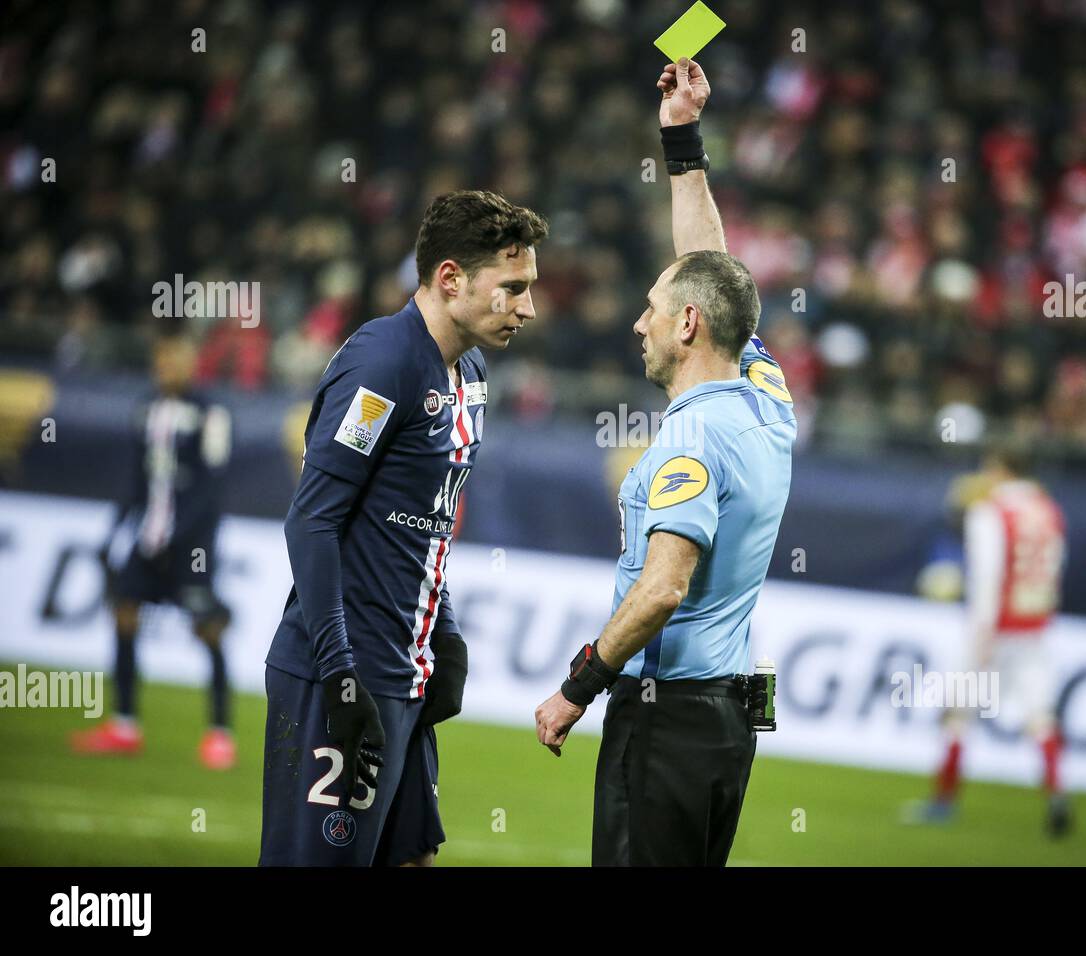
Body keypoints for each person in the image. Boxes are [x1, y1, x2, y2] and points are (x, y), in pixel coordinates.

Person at [533, 58, 797, 866]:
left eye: (650, 311)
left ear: (686, 326)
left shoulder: (689, 439)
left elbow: (663, 586)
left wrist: (576, 687)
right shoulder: (768, 399)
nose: (637, 326)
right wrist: (681, 139)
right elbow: (714, 274)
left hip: (666, 714)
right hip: (731, 720)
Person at [259, 190, 547, 866]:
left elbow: (430, 523)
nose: (528, 308)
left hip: (405, 672)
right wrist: (340, 673)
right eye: (513, 288)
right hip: (344, 676)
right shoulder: (382, 363)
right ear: (451, 279)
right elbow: (312, 521)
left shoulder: (471, 372)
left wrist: (443, 635)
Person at [72, 330, 235, 769]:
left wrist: (180, 537)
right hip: (148, 540)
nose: (167, 369)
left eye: (175, 361)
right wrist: (114, 534)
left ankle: (220, 733)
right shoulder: (145, 410)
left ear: (190, 365)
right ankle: (125, 725)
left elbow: (211, 488)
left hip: (190, 548)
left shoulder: (210, 414)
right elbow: (138, 482)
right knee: (124, 611)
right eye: (161, 361)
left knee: (208, 630)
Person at [909, 444, 1070, 836]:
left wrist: (981, 634)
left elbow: (988, 577)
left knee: (958, 713)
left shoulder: (990, 512)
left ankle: (943, 801)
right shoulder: (1049, 511)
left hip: (994, 628)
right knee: (1039, 716)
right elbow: (1056, 570)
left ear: (1000, 469)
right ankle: (1056, 792)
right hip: (1033, 626)